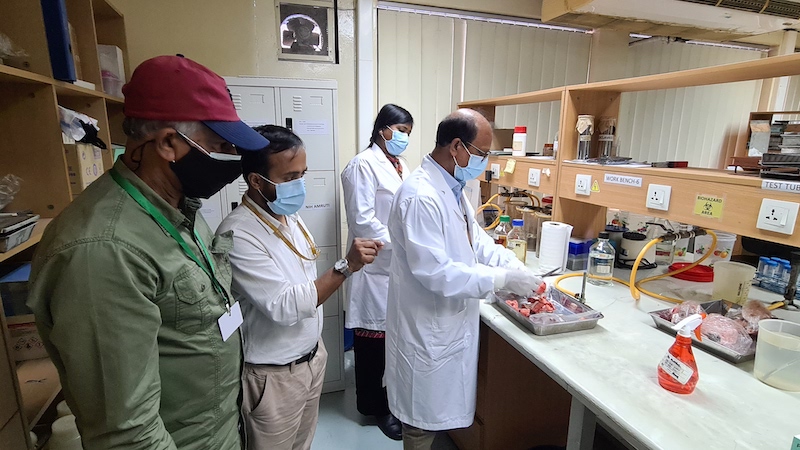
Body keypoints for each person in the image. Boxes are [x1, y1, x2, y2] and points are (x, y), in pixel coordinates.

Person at [27, 55, 270, 449]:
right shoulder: (103, 251)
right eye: (220, 146)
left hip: (220, 430)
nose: (231, 157)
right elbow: (128, 433)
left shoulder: (179, 205)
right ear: (169, 143)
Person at [385, 109, 545, 449]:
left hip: (447, 326)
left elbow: (477, 242)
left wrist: (514, 268)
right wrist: (501, 279)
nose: (484, 162)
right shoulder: (421, 196)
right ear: (457, 147)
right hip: (427, 329)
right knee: (420, 427)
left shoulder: (451, 187)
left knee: (433, 417)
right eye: (482, 153)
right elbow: (436, 272)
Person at [218, 125, 382, 450]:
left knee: (302, 444)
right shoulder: (238, 234)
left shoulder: (286, 215)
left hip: (310, 359)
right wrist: (346, 267)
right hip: (274, 375)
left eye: (302, 175)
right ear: (256, 181)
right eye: (290, 177)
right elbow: (285, 306)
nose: (300, 185)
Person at [340, 104, 413, 441]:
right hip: (374, 267)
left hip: (399, 267)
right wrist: (405, 245)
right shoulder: (361, 165)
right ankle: (373, 408)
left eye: (408, 132)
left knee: (392, 343)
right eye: (401, 131)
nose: (404, 138)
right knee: (372, 346)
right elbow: (363, 221)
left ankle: (391, 402)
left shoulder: (401, 165)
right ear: (383, 129)